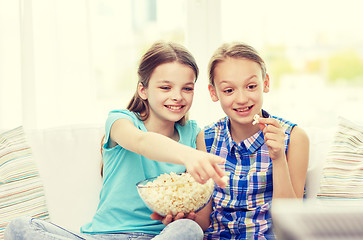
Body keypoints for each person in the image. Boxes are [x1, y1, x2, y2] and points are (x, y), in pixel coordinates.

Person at [4, 41, 226, 240]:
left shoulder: (194, 133)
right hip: (102, 236)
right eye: (165, 87)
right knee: (19, 226)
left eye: (187, 88)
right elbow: (142, 142)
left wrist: (182, 217)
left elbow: (203, 223)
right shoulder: (120, 121)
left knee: (190, 230)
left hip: (159, 236)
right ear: (143, 90)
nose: (178, 96)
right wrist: (188, 155)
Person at [153, 42, 309, 239]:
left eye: (251, 86)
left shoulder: (293, 138)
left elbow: (291, 224)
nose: (241, 98)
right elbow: (204, 221)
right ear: (213, 92)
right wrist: (182, 218)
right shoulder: (207, 138)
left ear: (266, 83)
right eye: (228, 90)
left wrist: (278, 158)